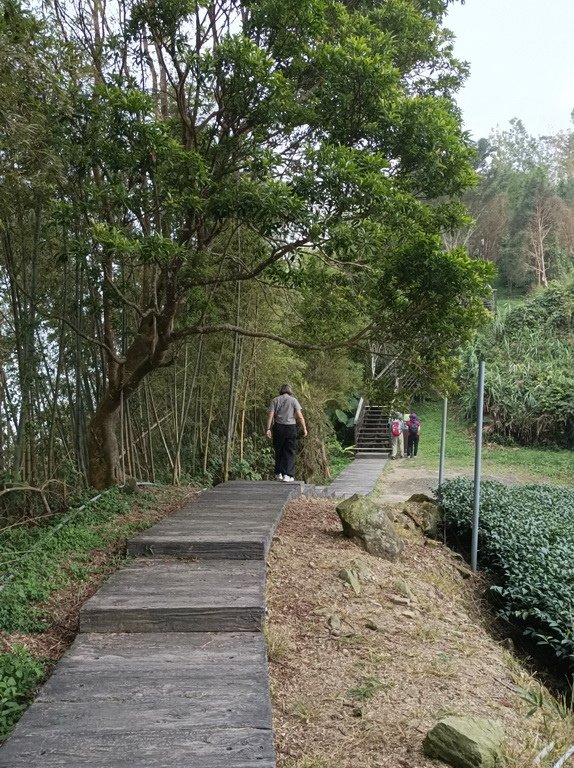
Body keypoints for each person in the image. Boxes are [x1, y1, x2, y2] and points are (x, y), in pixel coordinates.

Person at [266, 384, 307, 482]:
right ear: (290, 391)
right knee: (289, 451)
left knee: (279, 450)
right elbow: (300, 416)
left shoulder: (275, 400)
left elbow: (270, 415)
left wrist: (268, 429)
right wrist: (304, 428)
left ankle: (278, 473)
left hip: (278, 428)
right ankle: (288, 475)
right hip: (290, 428)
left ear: (281, 391)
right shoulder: (293, 400)